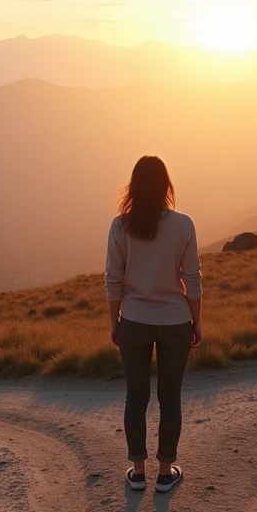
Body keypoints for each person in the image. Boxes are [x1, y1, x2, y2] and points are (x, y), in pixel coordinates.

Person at [105, 155, 202, 494]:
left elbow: (113, 280)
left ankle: (137, 471)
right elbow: (192, 278)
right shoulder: (184, 224)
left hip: (133, 319)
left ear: (133, 186)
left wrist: (114, 321)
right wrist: (197, 321)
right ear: (166, 186)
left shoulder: (120, 226)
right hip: (175, 319)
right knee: (170, 398)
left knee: (136, 398)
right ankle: (164, 473)